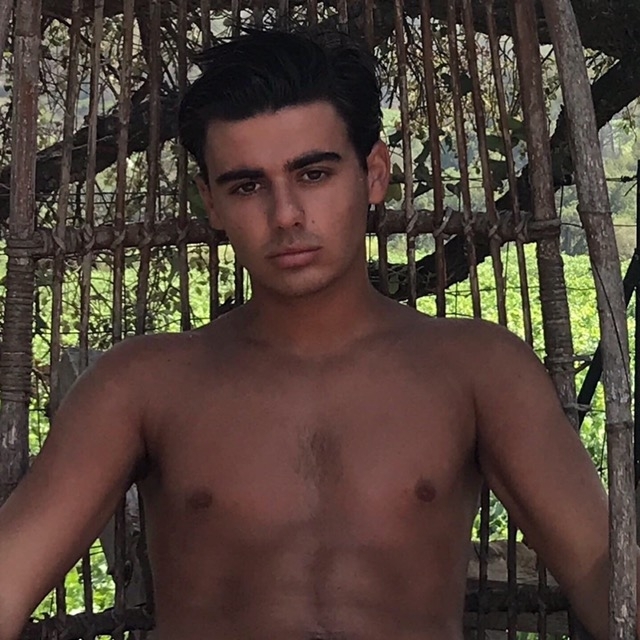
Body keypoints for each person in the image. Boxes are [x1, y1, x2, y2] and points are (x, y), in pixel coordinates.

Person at [0, 27, 633, 640]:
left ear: (374, 173)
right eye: (247, 185)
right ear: (211, 202)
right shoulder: (141, 387)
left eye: (313, 174)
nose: (285, 215)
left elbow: (610, 586)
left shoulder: (478, 371)